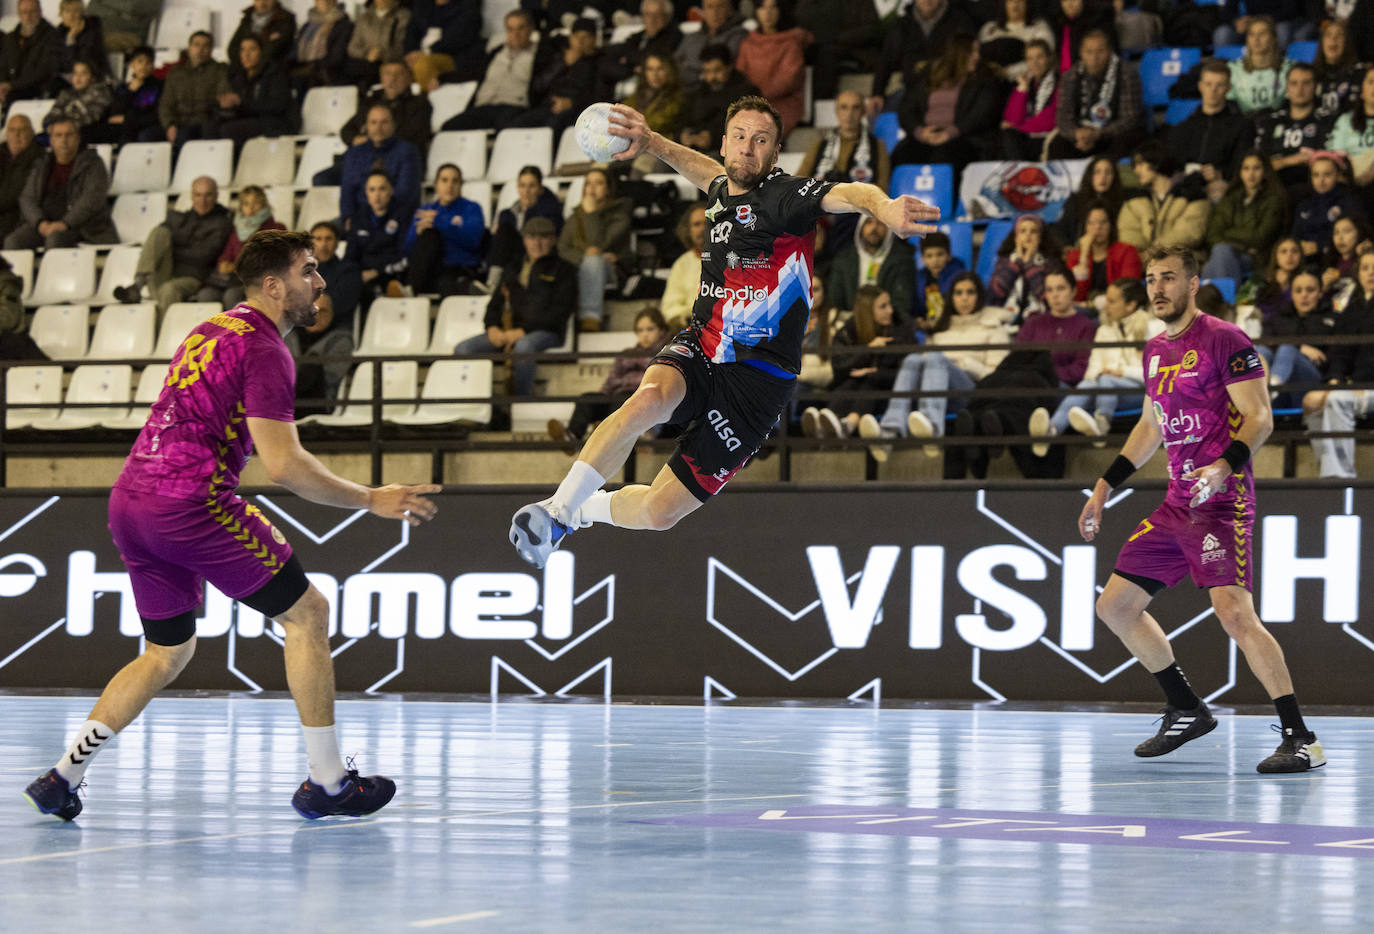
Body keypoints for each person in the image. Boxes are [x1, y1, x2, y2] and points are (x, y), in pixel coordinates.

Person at [21, 230, 441, 823]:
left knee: (166, 653)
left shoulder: (209, 329)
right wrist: (371, 498)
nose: (320, 282)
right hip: (190, 504)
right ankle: (327, 782)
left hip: (131, 501)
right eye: (309, 270)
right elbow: (285, 465)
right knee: (309, 613)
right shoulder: (266, 349)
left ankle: (63, 776)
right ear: (274, 286)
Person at [508, 95, 938, 568]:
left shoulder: (786, 199)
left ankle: (577, 514)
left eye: (761, 140)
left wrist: (884, 207)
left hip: (760, 384)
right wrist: (651, 141)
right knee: (649, 399)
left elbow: (850, 191)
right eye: (739, 137)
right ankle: (556, 509)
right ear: (725, 143)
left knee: (659, 512)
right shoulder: (718, 193)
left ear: (775, 154)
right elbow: (706, 173)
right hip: (704, 345)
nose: (748, 149)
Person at [1076, 244, 1324, 774]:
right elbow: (1151, 428)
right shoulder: (1154, 351)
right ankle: (1186, 708)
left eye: (1169, 278)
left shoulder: (1225, 339)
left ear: (1192, 284)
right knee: (1115, 607)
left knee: (1234, 614)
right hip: (1175, 504)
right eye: (1150, 279)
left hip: (1222, 503)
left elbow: (1259, 419)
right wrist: (1104, 484)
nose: (1157, 288)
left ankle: (1301, 738)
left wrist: (1225, 466)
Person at [858, 271, 1010, 459]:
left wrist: (964, 363)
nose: (964, 299)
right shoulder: (940, 331)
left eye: (970, 293)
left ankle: (932, 426)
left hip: (972, 394)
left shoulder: (993, 328)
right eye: (958, 293)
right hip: (936, 393)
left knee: (935, 358)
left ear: (979, 296)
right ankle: (890, 431)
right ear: (951, 297)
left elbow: (996, 376)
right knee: (914, 359)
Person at [456, 215, 576, 399]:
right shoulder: (512, 268)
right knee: (463, 349)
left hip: (547, 332)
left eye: (543, 237)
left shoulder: (564, 270)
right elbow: (495, 303)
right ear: (524, 240)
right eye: (532, 237)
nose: (537, 243)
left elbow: (559, 312)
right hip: (508, 330)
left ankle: (521, 402)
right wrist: (493, 327)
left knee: (525, 346)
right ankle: (473, 402)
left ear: (553, 239)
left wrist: (523, 331)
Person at [1033, 274, 1155, 446]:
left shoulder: (1155, 328)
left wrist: (1121, 372)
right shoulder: (1104, 330)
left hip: (1143, 393)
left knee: (1105, 380)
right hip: (1107, 390)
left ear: (1131, 305)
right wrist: (1101, 375)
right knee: (1086, 386)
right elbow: (1091, 371)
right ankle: (1050, 432)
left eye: (1112, 301)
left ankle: (1101, 427)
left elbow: (1157, 375)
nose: (1106, 306)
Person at [549, 307, 671, 452]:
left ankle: (623, 437)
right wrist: (601, 397)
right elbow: (612, 380)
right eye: (640, 330)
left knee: (623, 401)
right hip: (618, 398)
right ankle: (572, 438)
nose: (644, 335)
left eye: (650, 329)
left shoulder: (667, 351)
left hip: (641, 399)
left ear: (661, 330)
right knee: (587, 399)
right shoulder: (627, 353)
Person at [114, 176, 233, 318]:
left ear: (216, 196)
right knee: (160, 232)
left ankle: (163, 335)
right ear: (191, 196)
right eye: (198, 195)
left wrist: (174, 247)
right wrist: (182, 245)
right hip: (167, 272)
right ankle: (137, 286)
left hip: (196, 278)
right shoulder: (179, 217)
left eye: (208, 195)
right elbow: (158, 240)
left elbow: (203, 257)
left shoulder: (222, 222)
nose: (202, 200)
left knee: (168, 290)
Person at [805, 285, 917, 438]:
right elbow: (840, 369)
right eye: (883, 306)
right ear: (868, 311)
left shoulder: (902, 329)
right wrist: (868, 350)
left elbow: (909, 372)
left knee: (869, 381)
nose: (890, 310)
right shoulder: (848, 331)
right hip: (854, 389)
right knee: (853, 382)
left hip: (889, 391)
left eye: (889, 304)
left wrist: (875, 372)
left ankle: (844, 424)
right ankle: (831, 423)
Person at [796, 89, 890, 267]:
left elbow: (882, 188)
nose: (849, 114)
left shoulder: (877, 147)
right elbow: (799, 182)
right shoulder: (821, 145)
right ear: (837, 111)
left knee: (849, 223)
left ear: (863, 112)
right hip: (822, 213)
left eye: (855, 108)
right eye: (844, 108)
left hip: (857, 213)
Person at [889, 34, 1003, 179]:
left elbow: (982, 114)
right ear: (958, 54)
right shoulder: (929, 75)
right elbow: (906, 109)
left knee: (945, 157)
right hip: (927, 135)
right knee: (902, 155)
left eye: (978, 51)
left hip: (962, 138)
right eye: (972, 52)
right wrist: (920, 132)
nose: (977, 56)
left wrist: (950, 132)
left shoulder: (983, 78)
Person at [1306, 249, 1374, 477]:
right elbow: (1340, 353)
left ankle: (1338, 477)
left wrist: (1361, 385)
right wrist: (1335, 379)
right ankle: (1327, 466)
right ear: (1358, 273)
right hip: (1354, 386)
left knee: (1338, 399)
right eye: (1365, 267)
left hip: (1368, 387)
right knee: (1312, 401)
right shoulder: (1352, 309)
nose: (1371, 272)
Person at [4, 117, 117, 249]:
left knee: (55, 239)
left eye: (69, 135)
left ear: (78, 138)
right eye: (58, 135)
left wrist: (65, 224)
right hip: (44, 225)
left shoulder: (93, 163)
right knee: (13, 241)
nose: (63, 140)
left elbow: (91, 200)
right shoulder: (41, 164)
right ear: (51, 140)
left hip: (82, 228)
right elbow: (27, 198)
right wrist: (40, 223)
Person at [1021, 267, 1098, 456]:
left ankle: (1047, 432)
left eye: (1060, 288)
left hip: (1064, 388)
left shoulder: (1086, 326)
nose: (1055, 295)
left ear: (1073, 291)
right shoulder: (1033, 323)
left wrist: (1047, 374)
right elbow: (1018, 357)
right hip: (1030, 384)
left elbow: (1081, 368)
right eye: (1050, 290)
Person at [289, 221, 361, 411]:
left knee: (337, 347)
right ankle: (289, 391)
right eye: (318, 238)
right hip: (302, 330)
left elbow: (341, 304)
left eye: (329, 239)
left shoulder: (349, 270)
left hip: (335, 331)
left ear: (337, 243)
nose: (323, 244)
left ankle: (322, 401)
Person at [867, 0, 978, 116]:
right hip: (911, 92)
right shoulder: (902, 25)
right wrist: (877, 93)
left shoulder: (960, 21)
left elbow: (969, 57)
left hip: (951, 92)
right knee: (876, 117)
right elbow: (886, 61)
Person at [1047, 28, 1144, 161]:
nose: (1094, 57)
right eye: (1089, 52)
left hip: (1112, 133)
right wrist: (1076, 133)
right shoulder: (1071, 75)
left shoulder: (1126, 73)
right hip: (1081, 133)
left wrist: (1098, 134)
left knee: (1127, 140)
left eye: (1100, 51)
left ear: (1110, 52)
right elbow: (1063, 116)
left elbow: (1130, 118)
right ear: (1081, 53)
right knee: (1057, 145)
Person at [1168, 59, 1255, 203]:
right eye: (1208, 84)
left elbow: (1242, 163)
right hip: (1185, 182)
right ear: (1200, 86)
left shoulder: (1242, 125)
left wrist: (1220, 174)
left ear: (1228, 88)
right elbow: (1173, 160)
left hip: (1218, 184)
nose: (1213, 90)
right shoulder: (1185, 126)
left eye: (1219, 85)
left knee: (1218, 192)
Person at [558, 167, 633, 330]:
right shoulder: (576, 216)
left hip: (612, 271)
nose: (591, 188)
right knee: (587, 260)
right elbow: (562, 249)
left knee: (593, 261)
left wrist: (591, 214)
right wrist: (584, 257)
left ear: (608, 189)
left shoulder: (619, 216)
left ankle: (590, 318)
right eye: (588, 183)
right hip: (578, 266)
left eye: (598, 183)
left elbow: (598, 244)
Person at [440, 9, 536, 133]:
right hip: (483, 106)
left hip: (514, 106)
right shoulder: (496, 53)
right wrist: (441, 78)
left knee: (507, 128)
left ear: (531, 29)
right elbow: (472, 72)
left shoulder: (540, 54)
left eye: (520, 28)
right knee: (448, 129)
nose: (515, 34)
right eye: (510, 29)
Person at [508, 16, 605, 136]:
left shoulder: (600, 61)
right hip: (548, 107)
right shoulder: (558, 58)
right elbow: (538, 87)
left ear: (594, 40)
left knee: (553, 126)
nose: (580, 41)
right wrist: (563, 64)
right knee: (514, 125)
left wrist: (572, 103)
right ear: (570, 38)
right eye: (576, 37)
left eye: (585, 37)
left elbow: (601, 95)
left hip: (578, 110)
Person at [1202, 151, 1287, 285]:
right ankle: (1224, 303)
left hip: (1256, 258)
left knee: (1218, 255)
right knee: (1216, 258)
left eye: (1256, 168)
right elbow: (1212, 234)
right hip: (1233, 252)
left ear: (1265, 171)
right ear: (1240, 172)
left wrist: (1228, 235)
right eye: (1246, 168)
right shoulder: (1230, 198)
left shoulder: (1274, 200)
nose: (1251, 174)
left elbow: (1259, 237)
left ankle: (1222, 303)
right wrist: (1239, 245)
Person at [404, 162, 485, 297]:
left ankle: (410, 289)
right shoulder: (424, 211)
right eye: (444, 180)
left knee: (447, 283)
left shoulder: (472, 208)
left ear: (461, 185)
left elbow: (473, 240)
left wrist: (439, 223)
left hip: (458, 268)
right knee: (429, 235)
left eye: (455, 181)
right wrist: (418, 236)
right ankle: (410, 289)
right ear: (436, 184)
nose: (449, 186)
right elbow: (407, 250)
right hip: (429, 271)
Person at [1118, 141, 1211, 255]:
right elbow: (1128, 233)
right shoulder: (1134, 199)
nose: (1136, 170)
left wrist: (1151, 254)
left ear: (1156, 162)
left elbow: (1188, 233)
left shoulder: (1192, 195)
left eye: (1140, 164)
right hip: (1142, 265)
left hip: (1182, 262)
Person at [335, 104, 422, 226]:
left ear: (393, 125)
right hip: (360, 216)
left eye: (384, 122)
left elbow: (405, 192)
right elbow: (348, 191)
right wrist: (349, 216)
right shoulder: (354, 153)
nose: (378, 128)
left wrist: (378, 212)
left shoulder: (408, 151)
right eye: (373, 122)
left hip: (396, 217)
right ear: (366, 126)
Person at [734, 0, 810, 138]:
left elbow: (789, 79)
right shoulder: (747, 44)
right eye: (762, 7)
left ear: (780, 11)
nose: (767, 13)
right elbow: (739, 77)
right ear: (756, 12)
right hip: (751, 105)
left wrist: (756, 97)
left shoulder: (791, 43)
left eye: (773, 7)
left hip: (783, 105)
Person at [209, 34, 296, 151]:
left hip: (276, 122)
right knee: (210, 126)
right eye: (243, 50)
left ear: (262, 52)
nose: (246, 55)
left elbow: (277, 106)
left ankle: (235, 166)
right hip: (252, 120)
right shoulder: (239, 77)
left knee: (230, 129)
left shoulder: (275, 73)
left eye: (252, 49)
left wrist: (241, 102)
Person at [1253, 63, 1331, 189]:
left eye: (1306, 83)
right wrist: (1291, 160)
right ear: (1287, 87)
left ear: (1316, 87)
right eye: (1294, 83)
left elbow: (1326, 163)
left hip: (1310, 188)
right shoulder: (1271, 121)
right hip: (1271, 187)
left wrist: (1279, 162)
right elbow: (1257, 165)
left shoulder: (1326, 120)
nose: (1300, 89)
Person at [208, 185, 285, 308]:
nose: (251, 208)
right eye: (246, 203)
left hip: (260, 282)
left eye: (256, 203)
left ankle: (235, 327)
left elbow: (269, 262)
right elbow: (224, 260)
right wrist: (227, 265)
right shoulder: (237, 232)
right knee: (206, 295)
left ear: (264, 205)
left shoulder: (276, 228)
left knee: (231, 295)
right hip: (235, 280)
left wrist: (236, 265)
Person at [827, 215, 915, 321]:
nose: (874, 228)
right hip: (850, 322)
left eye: (881, 223)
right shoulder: (843, 260)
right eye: (869, 222)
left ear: (889, 229)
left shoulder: (902, 260)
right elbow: (835, 300)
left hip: (888, 323)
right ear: (860, 227)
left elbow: (903, 304)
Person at [488, 164, 562, 289]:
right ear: (517, 188)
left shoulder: (550, 211)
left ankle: (493, 284)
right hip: (510, 258)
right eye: (522, 186)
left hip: (535, 254)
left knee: (505, 231)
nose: (526, 191)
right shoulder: (507, 213)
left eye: (531, 186)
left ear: (540, 188)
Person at [345, 170, 412, 308]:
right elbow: (350, 255)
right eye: (372, 190)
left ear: (391, 190)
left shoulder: (404, 215)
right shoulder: (358, 218)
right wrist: (356, 274)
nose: (377, 195)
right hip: (362, 275)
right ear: (366, 193)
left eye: (382, 189)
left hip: (392, 274)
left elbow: (403, 253)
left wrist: (376, 271)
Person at [678, 45, 759, 156]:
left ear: (729, 67)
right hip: (695, 148)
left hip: (732, 150)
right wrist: (684, 135)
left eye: (717, 70)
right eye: (707, 71)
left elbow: (747, 127)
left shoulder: (747, 93)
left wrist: (712, 137)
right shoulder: (698, 92)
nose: (712, 77)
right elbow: (684, 120)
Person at [339, 60, 431, 155]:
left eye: (399, 74)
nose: (392, 79)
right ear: (381, 78)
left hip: (398, 158)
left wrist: (373, 142)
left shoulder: (420, 103)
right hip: (363, 157)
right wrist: (355, 139)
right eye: (388, 74)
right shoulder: (371, 101)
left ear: (409, 79)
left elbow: (415, 135)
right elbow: (347, 129)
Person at [157, 30, 229, 148]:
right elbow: (165, 104)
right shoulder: (176, 73)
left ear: (211, 49)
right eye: (196, 45)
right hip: (177, 122)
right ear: (189, 48)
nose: (200, 50)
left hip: (203, 122)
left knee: (183, 136)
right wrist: (170, 124)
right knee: (147, 136)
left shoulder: (220, 71)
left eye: (205, 45)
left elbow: (220, 99)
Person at [988, 213, 1064, 322]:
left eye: (1033, 231)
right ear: (1016, 237)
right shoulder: (1004, 261)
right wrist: (1017, 263)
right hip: (1006, 317)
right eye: (1023, 231)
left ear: (1040, 237)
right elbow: (995, 295)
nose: (1028, 235)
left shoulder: (1051, 262)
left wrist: (1029, 263)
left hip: (1044, 319)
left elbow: (1048, 298)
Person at [1064, 201, 1142, 302]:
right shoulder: (1074, 256)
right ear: (1084, 227)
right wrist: (1083, 256)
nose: (1097, 227)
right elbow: (1075, 297)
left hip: (1117, 308)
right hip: (1083, 311)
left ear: (1111, 226)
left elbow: (1129, 291)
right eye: (1091, 222)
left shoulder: (1127, 251)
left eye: (1103, 222)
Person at [1292, 152, 1365, 258]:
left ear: (1338, 175)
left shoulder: (1349, 201)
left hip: (1335, 258)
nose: (1321, 180)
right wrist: (1298, 246)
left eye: (1327, 174)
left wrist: (1320, 246)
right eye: (1316, 175)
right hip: (1303, 259)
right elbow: (1295, 234)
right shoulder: (1304, 204)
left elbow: (1354, 236)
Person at [86, 44, 161, 145]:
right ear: (132, 64)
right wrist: (130, 91)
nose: (144, 66)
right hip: (121, 127)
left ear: (153, 65)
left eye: (148, 62)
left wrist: (127, 119)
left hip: (140, 127)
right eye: (140, 61)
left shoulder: (158, 86)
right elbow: (115, 112)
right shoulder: (123, 88)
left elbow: (155, 115)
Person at [999, 38, 1060, 161]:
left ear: (1049, 58)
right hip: (1027, 137)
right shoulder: (1026, 83)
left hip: (1047, 138)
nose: (1035, 63)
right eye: (1030, 58)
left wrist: (1019, 128)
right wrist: (1023, 90)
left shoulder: (1060, 82)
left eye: (1040, 57)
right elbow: (1012, 119)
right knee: (1006, 138)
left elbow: (1051, 118)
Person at [403, 0, 484, 91]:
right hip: (422, 53)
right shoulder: (423, 4)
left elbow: (457, 38)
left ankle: (426, 102)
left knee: (423, 64)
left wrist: (426, 52)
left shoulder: (468, 6)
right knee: (393, 70)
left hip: (455, 57)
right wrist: (411, 50)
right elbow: (412, 31)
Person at [601, 0, 681, 89]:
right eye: (647, 14)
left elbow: (653, 59)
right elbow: (608, 58)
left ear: (667, 17)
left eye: (657, 15)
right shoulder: (638, 36)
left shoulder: (674, 36)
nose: (652, 19)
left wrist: (627, 59)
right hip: (624, 85)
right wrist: (633, 70)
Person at [1053, 154, 1129, 244]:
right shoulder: (1075, 201)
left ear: (1114, 177)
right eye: (1097, 172)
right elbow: (1061, 230)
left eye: (1108, 172)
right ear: (1090, 176)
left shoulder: (1123, 202)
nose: (1103, 177)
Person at [1227, 16, 1291, 116]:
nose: (1256, 39)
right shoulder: (1233, 69)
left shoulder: (1289, 68)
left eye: (1262, 34)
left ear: (1273, 37)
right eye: (1251, 34)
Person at [674, 0, 747, 88]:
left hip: (719, 91)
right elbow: (673, 64)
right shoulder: (691, 37)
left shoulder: (738, 36)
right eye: (710, 7)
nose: (715, 12)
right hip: (684, 90)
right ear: (703, 11)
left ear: (730, 10)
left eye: (720, 6)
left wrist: (691, 72)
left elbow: (719, 68)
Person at [979, 0, 1056, 80]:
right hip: (990, 80)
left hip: (1028, 81)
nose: (1015, 3)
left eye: (1020, 0)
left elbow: (1044, 59)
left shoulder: (1039, 27)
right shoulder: (989, 29)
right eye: (1010, 1)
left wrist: (1007, 72)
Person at [0, 0, 58, 105]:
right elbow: (2, 66)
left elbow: (44, 71)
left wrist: (11, 85)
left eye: (32, 12)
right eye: (24, 12)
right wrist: (2, 85)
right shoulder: (10, 38)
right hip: (10, 88)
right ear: (19, 13)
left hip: (35, 89)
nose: (28, 16)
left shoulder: (52, 36)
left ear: (40, 12)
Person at [289, 0, 353, 93]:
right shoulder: (307, 26)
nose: (323, 1)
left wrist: (313, 66)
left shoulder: (344, 25)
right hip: (303, 74)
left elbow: (337, 56)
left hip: (328, 75)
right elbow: (295, 51)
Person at [343, 0, 410, 89]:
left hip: (391, 61)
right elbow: (352, 47)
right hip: (366, 62)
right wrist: (367, 54)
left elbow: (403, 45)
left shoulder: (403, 17)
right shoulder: (364, 18)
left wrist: (382, 54)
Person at [661, 202, 707, 329]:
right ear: (688, 231)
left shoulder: (733, 257)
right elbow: (670, 307)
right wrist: (688, 315)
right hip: (691, 327)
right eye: (697, 224)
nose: (703, 228)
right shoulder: (682, 264)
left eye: (707, 222)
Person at [0, 113, 40, 243]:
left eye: (22, 130)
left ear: (32, 133)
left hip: (18, 217)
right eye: (12, 130)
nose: (17, 135)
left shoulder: (39, 158)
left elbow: (14, 195)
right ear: (6, 134)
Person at [913, 229, 965, 324]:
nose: (935, 260)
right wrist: (919, 319)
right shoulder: (919, 278)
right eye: (929, 256)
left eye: (940, 254)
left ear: (949, 255)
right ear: (923, 258)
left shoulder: (959, 277)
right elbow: (917, 307)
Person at [55, 0, 107, 85]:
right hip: (66, 78)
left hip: (91, 77)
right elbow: (58, 62)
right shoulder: (59, 33)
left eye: (75, 11)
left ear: (82, 14)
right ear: (61, 14)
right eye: (67, 11)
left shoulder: (92, 30)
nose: (71, 16)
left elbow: (82, 61)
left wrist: (71, 39)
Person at [228, 0, 296, 64]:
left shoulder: (285, 19)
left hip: (273, 71)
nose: (262, 3)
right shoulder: (247, 19)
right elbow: (232, 49)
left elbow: (276, 49)